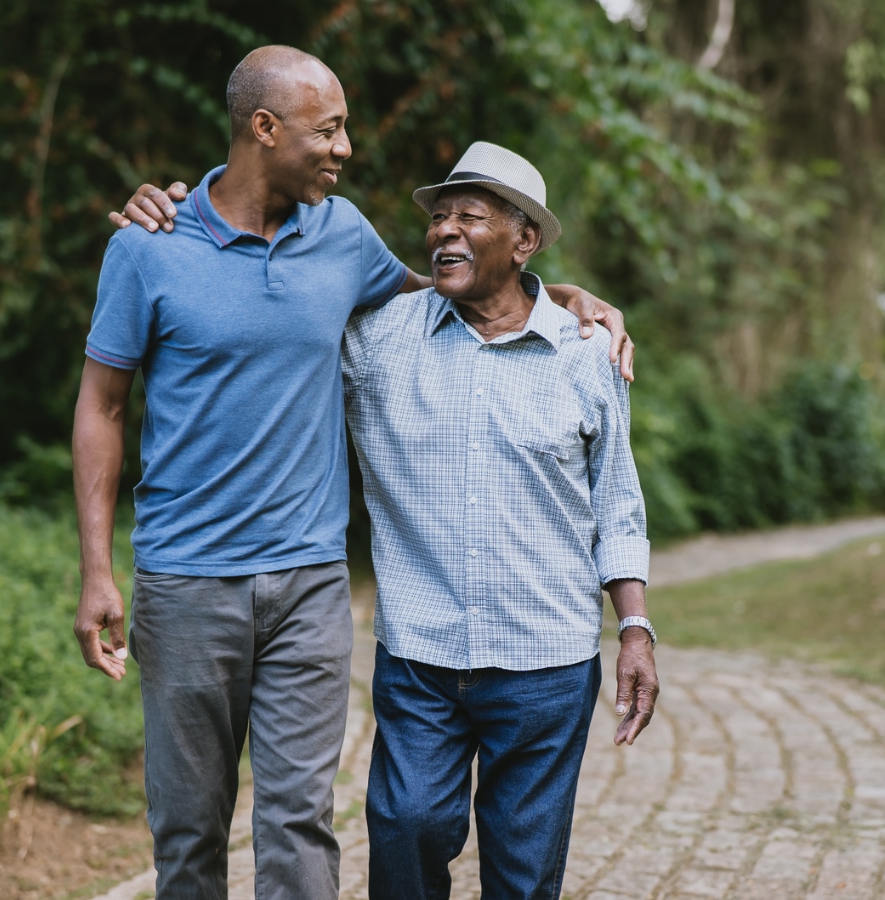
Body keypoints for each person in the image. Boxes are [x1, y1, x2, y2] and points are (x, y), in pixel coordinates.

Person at [74, 47, 628, 899]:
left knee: (297, 824)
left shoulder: (341, 235)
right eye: (327, 129)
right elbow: (102, 408)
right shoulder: (150, 249)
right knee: (187, 830)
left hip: (309, 584)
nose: (344, 148)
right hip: (186, 583)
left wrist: (564, 297)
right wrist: (96, 572)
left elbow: (457, 291)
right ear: (265, 127)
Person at [341, 142, 658, 900]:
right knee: (407, 827)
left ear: (524, 241)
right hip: (421, 656)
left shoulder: (586, 356)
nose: (445, 231)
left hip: (546, 662)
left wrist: (636, 628)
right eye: (439, 217)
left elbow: (617, 503)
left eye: (470, 217)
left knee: (522, 876)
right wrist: (179, 217)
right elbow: (273, 315)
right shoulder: (381, 339)